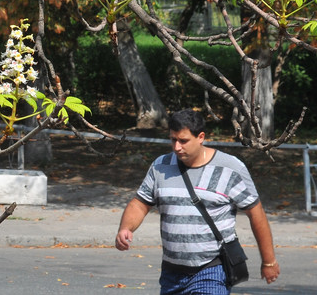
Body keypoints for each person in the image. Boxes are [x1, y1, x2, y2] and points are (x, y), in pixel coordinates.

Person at [115, 109, 280, 294]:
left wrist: (269, 261)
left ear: (200, 137)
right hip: (171, 273)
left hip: (212, 269)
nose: (177, 147)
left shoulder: (230, 168)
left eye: (183, 141)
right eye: (173, 140)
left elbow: (256, 213)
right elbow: (140, 203)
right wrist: (125, 228)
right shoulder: (161, 165)